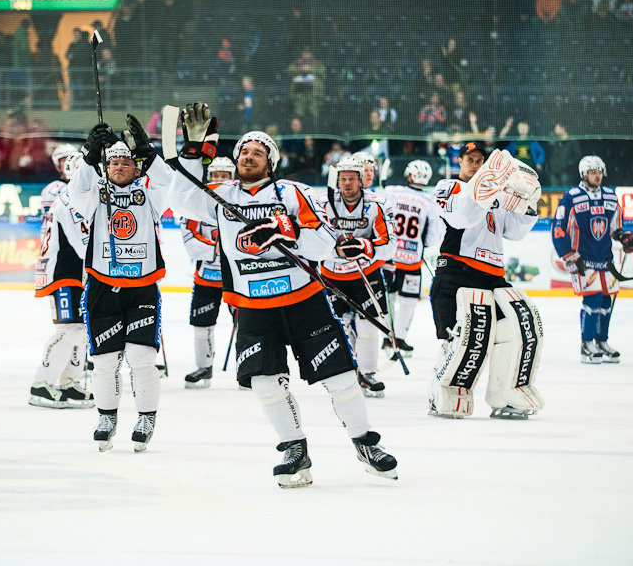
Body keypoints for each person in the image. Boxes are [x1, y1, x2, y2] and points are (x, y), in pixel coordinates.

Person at [169, 104, 398, 488]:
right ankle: (294, 449)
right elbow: (182, 198)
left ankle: (365, 442)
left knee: (341, 376)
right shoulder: (222, 194)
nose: (248, 155)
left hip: (303, 302)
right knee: (264, 382)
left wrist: (283, 229)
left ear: (271, 163)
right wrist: (191, 151)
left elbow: (324, 242)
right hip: (255, 308)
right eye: (243, 151)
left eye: (257, 152)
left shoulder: (293, 193)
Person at [69, 115, 171, 452]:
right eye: (112, 161)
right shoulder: (95, 191)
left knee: (141, 358)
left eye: (126, 161)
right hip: (102, 286)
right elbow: (76, 193)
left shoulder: (149, 191)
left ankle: (146, 416)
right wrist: (87, 156)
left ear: (137, 166)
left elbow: (168, 183)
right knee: (105, 360)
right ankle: (107, 416)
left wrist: (150, 153)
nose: (119, 166)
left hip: (142, 287)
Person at [429, 143, 545, 419]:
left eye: (481, 160)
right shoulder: (448, 187)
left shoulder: (496, 193)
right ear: (460, 161)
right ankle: (443, 392)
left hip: (493, 275)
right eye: (471, 159)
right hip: (458, 272)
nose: (476, 164)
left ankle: (506, 393)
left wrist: (528, 204)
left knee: (520, 329)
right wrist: (488, 186)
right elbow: (462, 217)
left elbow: (514, 231)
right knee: (462, 339)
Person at [317, 156, 396, 397]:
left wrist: (365, 247)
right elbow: (312, 239)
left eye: (352, 178)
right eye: (343, 179)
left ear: (362, 180)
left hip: (366, 274)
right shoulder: (323, 203)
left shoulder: (378, 204)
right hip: (332, 274)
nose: (347, 183)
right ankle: (345, 371)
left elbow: (390, 244)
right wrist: (335, 249)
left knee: (368, 323)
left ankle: (368, 374)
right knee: (339, 324)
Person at [551, 156, 633, 363]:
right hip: (583, 260)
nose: (597, 175)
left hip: (605, 259)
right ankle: (586, 344)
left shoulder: (610, 196)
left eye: (599, 171)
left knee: (606, 302)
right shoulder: (572, 196)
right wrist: (569, 254)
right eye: (592, 172)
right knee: (593, 300)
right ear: (583, 174)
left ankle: (601, 342)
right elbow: (558, 228)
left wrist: (624, 237)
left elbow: (614, 228)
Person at [31, 154, 94, 408]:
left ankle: (69, 383)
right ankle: (41, 385)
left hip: (72, 273)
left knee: (80, 331)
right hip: (63, 274)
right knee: (71, 330)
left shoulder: (73, 197)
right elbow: (83, 244)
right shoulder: (69, 200)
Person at [180, 157, 236, 389]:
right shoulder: (195, 203)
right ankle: (204, 367)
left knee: (247, 325)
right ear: (209, 176)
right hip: (207, 277)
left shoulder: (244, 201)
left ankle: (248, 369)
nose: (220, 179)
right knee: (202, 325)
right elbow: (189, 239)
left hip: (238, 277)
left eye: (224, 175)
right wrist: (219, 248)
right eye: (216, 175)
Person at [381, 160, 444, 358]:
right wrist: (419, 244)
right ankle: (399, 339)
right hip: (412, 261)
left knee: (388, 298)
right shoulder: (428, 201)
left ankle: (386, 337)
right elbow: (433, 236)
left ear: (409, 175)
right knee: (407, 301)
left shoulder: (391, 191)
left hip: (389, 258)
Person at [41, 143, 80, 228]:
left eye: (73, 161)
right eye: (66, 163)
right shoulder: (51, 191)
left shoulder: (87, 186)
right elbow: (48, 224)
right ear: (58, 167)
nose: (70, 165)